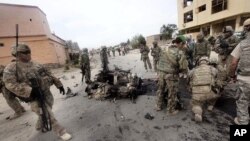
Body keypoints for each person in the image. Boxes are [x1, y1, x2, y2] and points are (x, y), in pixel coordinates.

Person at [3, 44, 72, 141]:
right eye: (24, 52)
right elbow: (9, 83)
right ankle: (61, 132)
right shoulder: (11, 68)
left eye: (29, 52)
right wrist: (29, 91)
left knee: (47, 110)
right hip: (33, 97)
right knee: (47, 113)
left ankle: (40, 123)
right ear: (17, 54)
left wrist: (58, 84)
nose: (28, 54)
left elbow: (48, 74)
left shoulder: (36, 64)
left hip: (46, 93)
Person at [155, 37, 188, 115]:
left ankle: (158, 106)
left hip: (161, 73)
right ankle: (170, 110)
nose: (184, 46)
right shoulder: (180, 53)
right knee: (172, 93)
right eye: (183, 44)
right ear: (180, 43)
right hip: (171, 76)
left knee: (160, 89)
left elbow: (159, 61)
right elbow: (183, 68)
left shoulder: (164, 49)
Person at [229, 18, 250, 125]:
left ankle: (242, 125)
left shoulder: (242, 44)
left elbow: (233, 63)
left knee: (242, 102)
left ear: (245, 29)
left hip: (245, 79)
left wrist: (232, 75)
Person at [188, 57, 219, 122]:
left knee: (196, 104)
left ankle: (198, 112)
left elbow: (188, 77)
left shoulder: (194, 70)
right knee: (216, 92)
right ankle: (210, 105)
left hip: (196, 93)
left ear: (199, 62)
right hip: (209, 92)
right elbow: (217, 77)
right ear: (208, 62)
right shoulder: (212, 69)